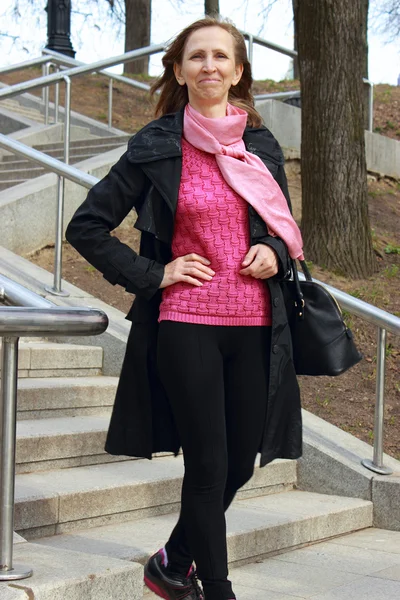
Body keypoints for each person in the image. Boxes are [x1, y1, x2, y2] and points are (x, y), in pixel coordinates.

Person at [66, 16, 303, 600]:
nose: (209, 67)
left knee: (242, 462)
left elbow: (284, 228)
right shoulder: (156, 147)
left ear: (239, 71)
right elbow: (87, 226)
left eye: (221, 57)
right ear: (179, 69)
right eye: (197, 57)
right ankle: (214, 589)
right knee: (207, 464)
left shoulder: (261, 146)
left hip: (254, 326)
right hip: (187, 324)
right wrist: (156, 273)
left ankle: (172, 560)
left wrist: (273, 251)